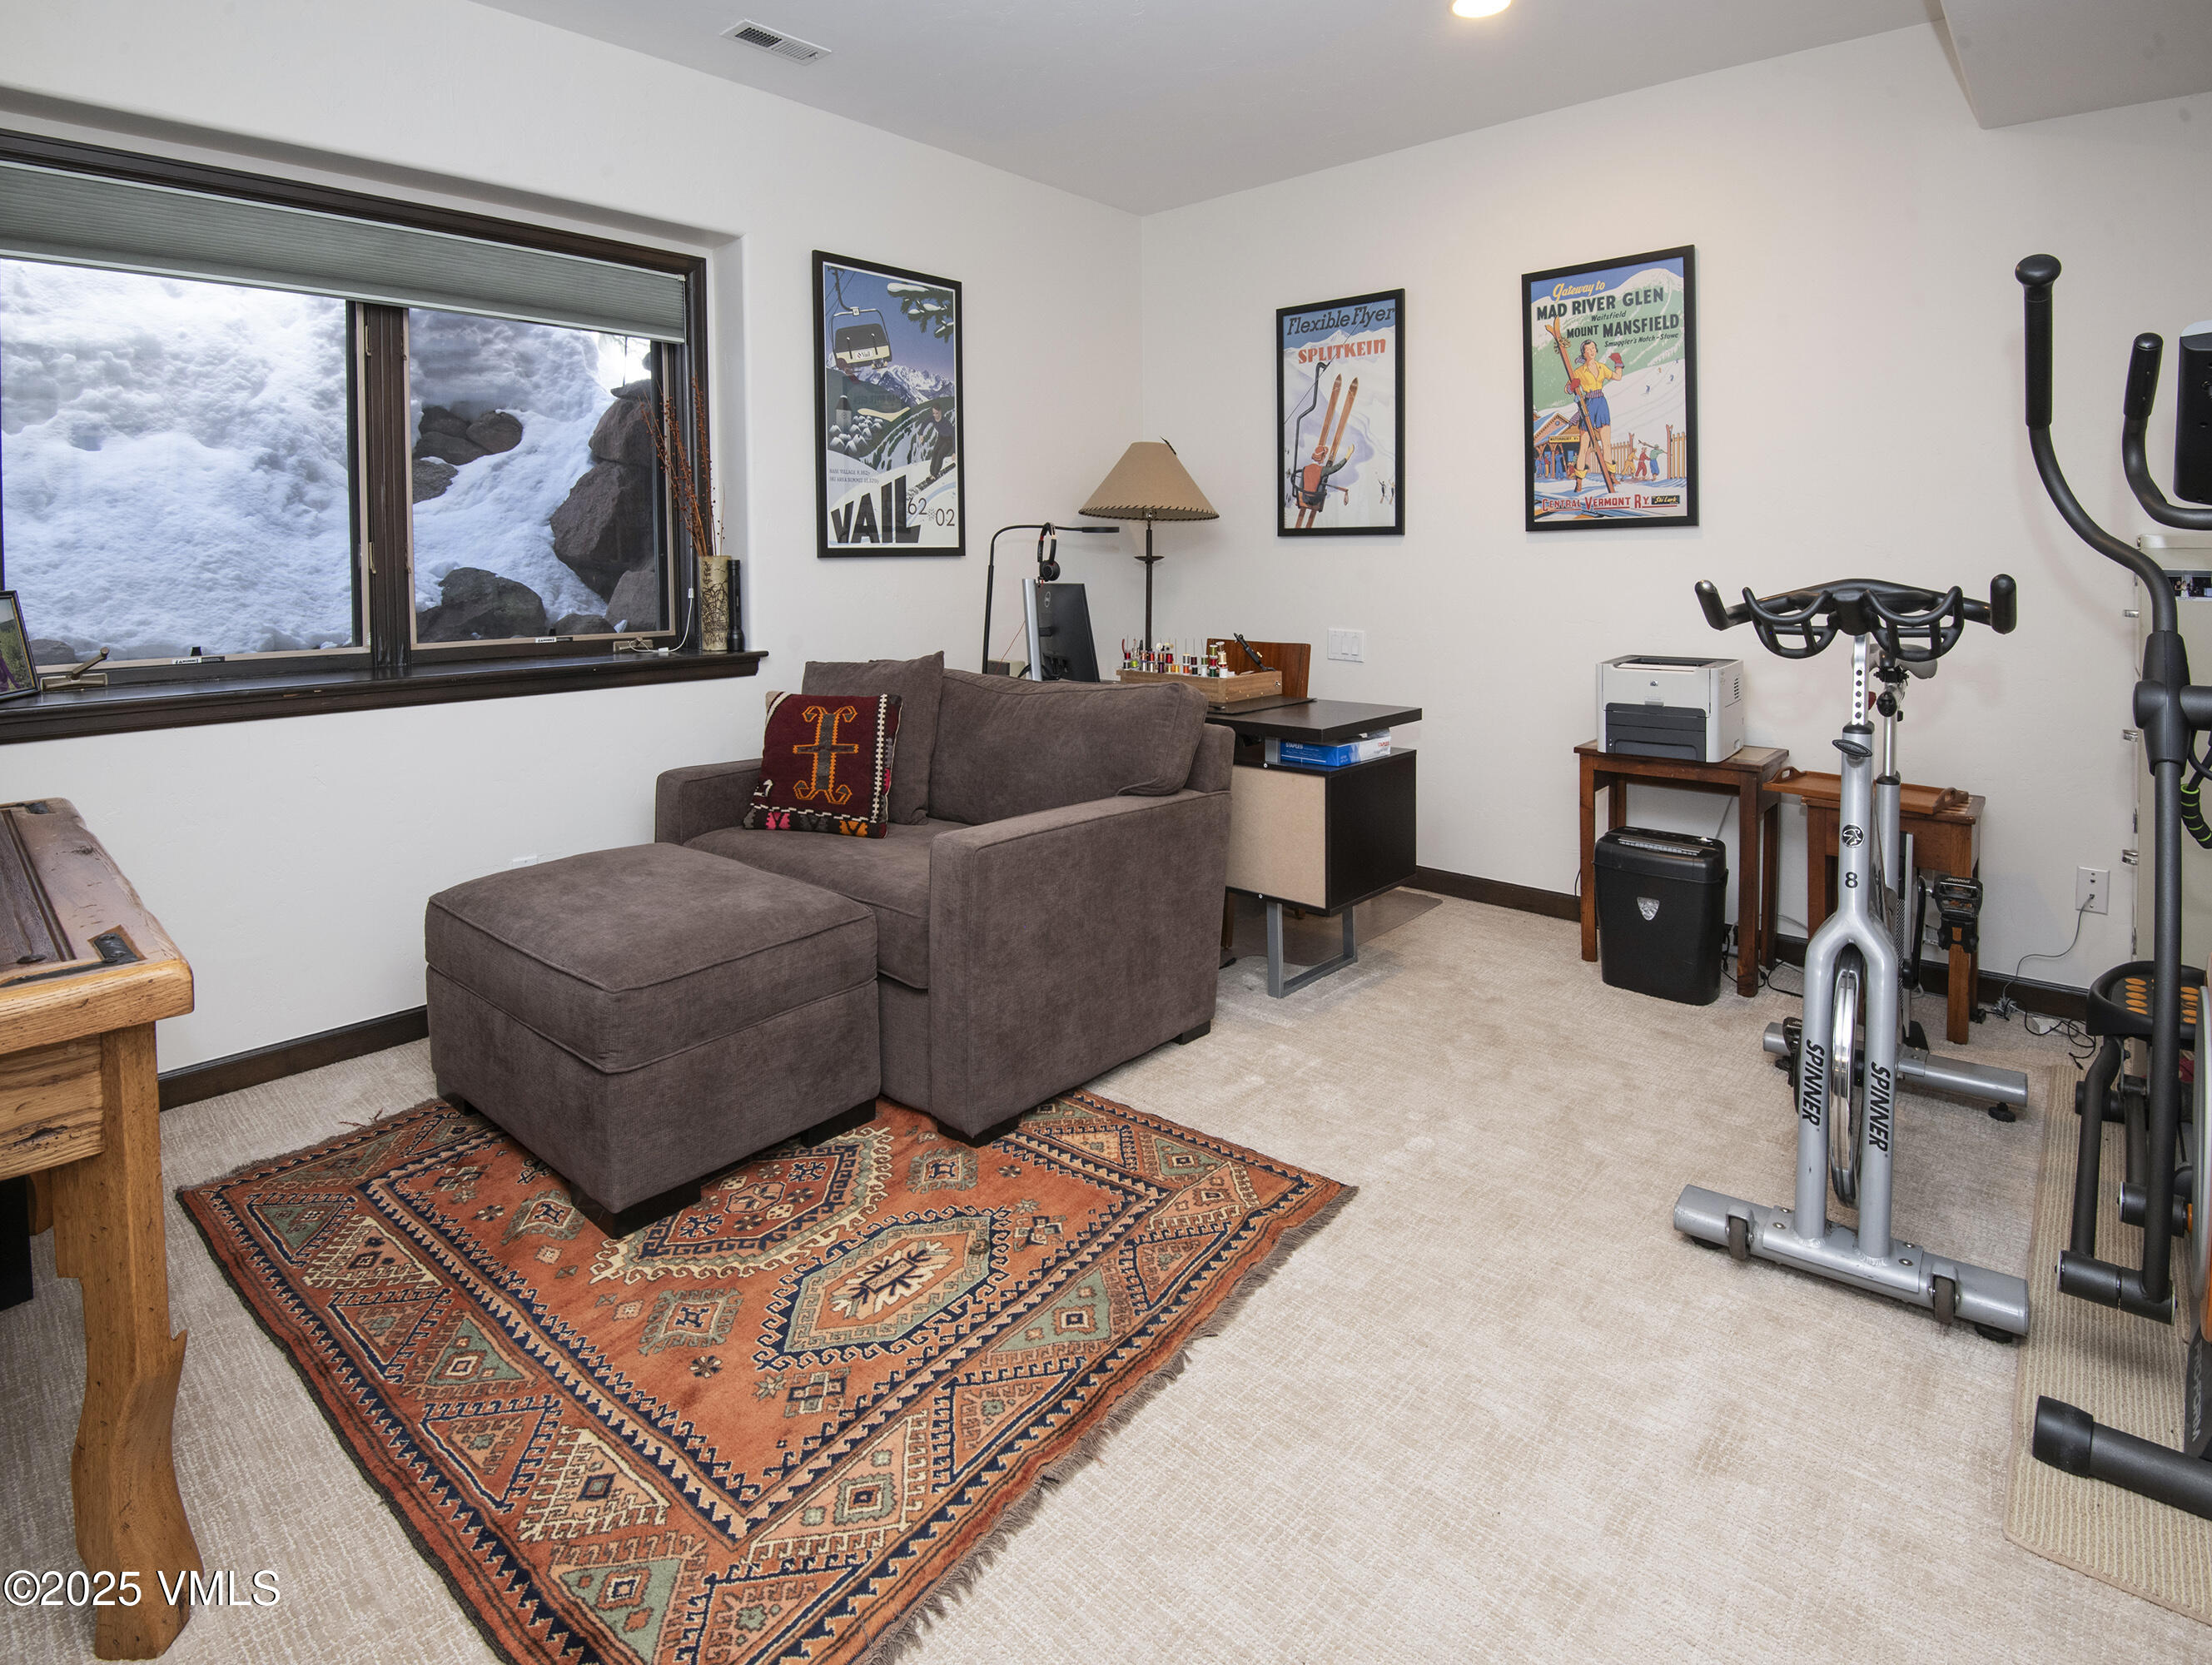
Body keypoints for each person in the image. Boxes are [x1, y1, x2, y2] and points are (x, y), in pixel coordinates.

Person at [1564, 340, 1623, 481]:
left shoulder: (1602, 367)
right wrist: (1573, 386)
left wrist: (1618, 363)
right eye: (1588, 349)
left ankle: (1611, 476)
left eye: (1593, 348)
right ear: (1583, 353)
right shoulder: (1579, 371)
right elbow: (1567, 390)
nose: (1591, 351)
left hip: (1601, 404)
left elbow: (1618, 377)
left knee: (1606, 443)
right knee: (1584, 446)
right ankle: (1579, 481)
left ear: (1596, 350)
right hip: (1588, 405)